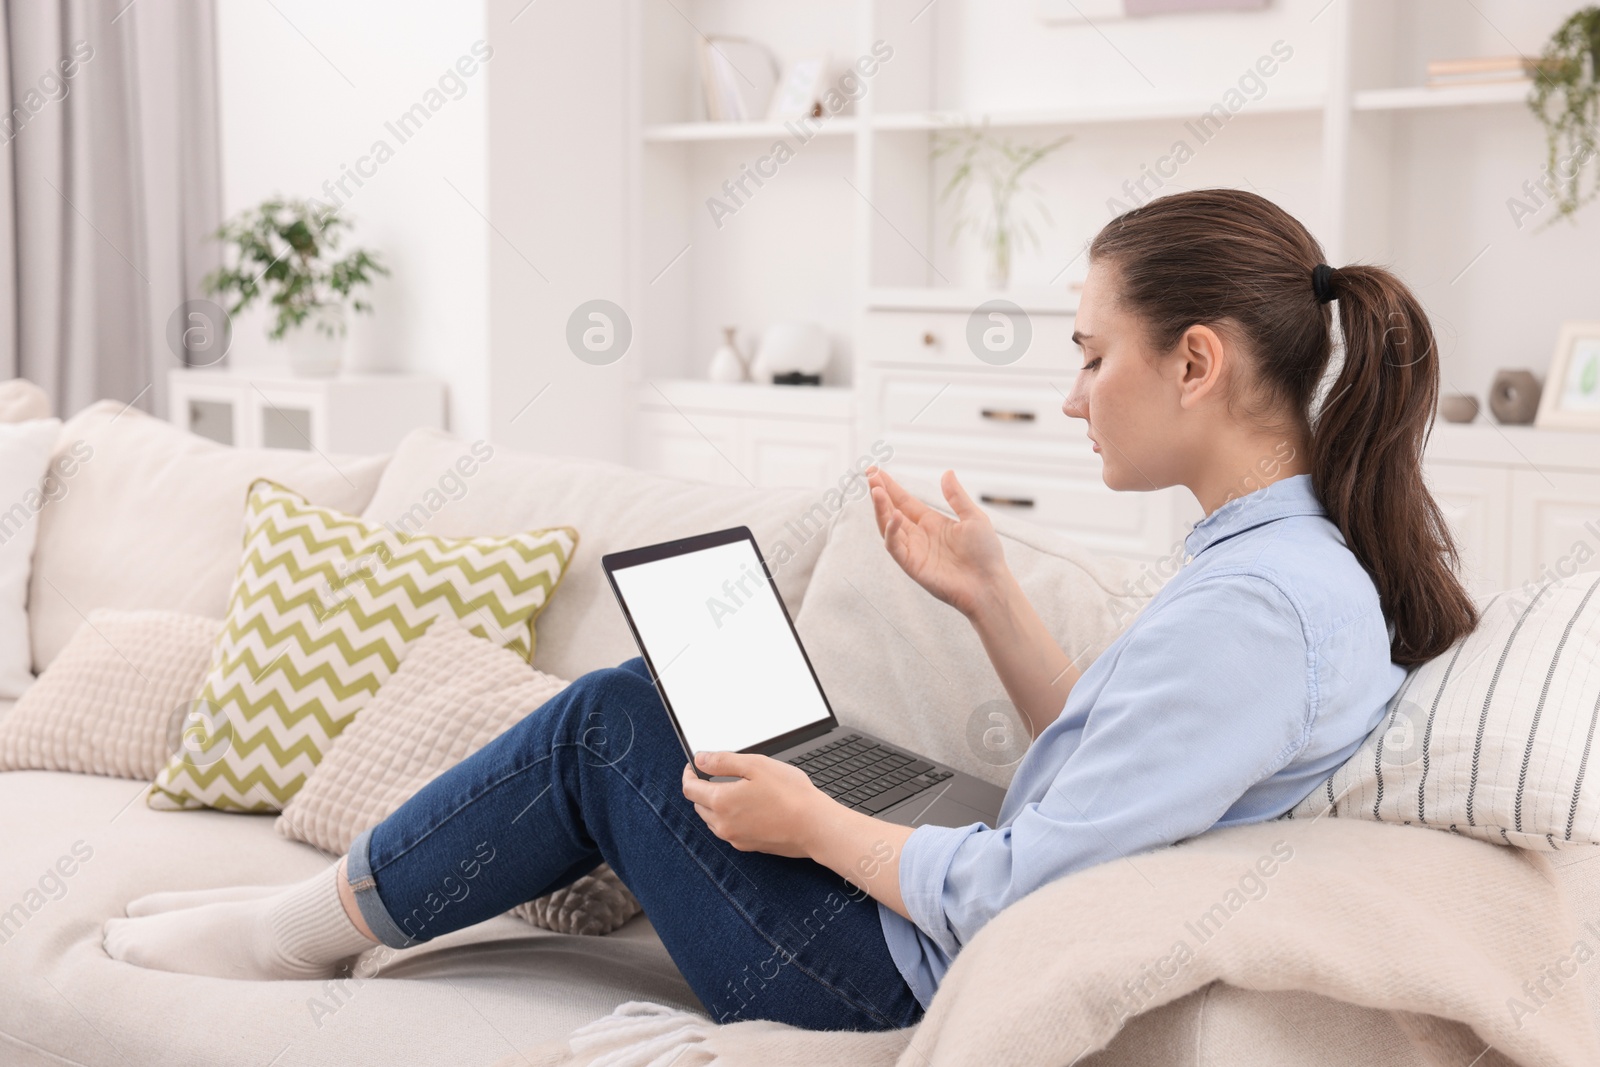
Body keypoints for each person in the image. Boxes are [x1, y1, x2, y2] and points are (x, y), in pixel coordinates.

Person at [101, 188, 1477, 1032]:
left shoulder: (1261, 611)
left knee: (610, 722)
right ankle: (332, 905)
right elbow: (1121, 783)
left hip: (879, 983)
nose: (1071, 395)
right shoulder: (1282, 571)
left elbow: (1030, 888)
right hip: (947, 908)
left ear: (1194, 362)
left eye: (1088, 354)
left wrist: (816, 823)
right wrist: (993, 596)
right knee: (732, 727)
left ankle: (293, 933)